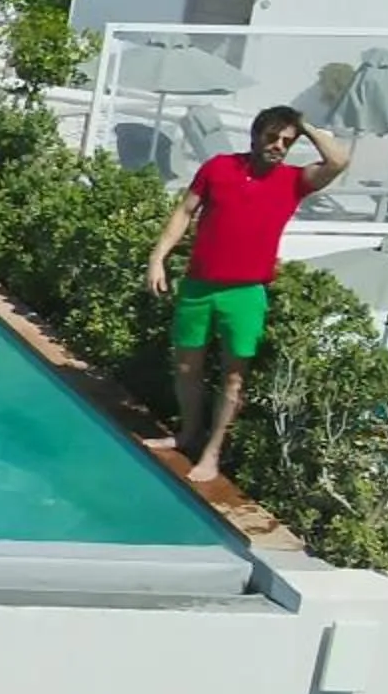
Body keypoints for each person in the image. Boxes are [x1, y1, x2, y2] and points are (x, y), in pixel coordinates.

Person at [146, 105, 350, 482]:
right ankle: (188, 434)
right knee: (187, 367)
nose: (278, 146)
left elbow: (338, 160)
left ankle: (211, 454)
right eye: (272, 137)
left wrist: (302, 124)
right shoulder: (219, 168)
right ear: (255, 135)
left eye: (287, 141)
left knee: (234, 378)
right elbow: (184, 212)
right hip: (199, 286)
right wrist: (157, 258)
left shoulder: (294, 181)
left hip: (246, 293)